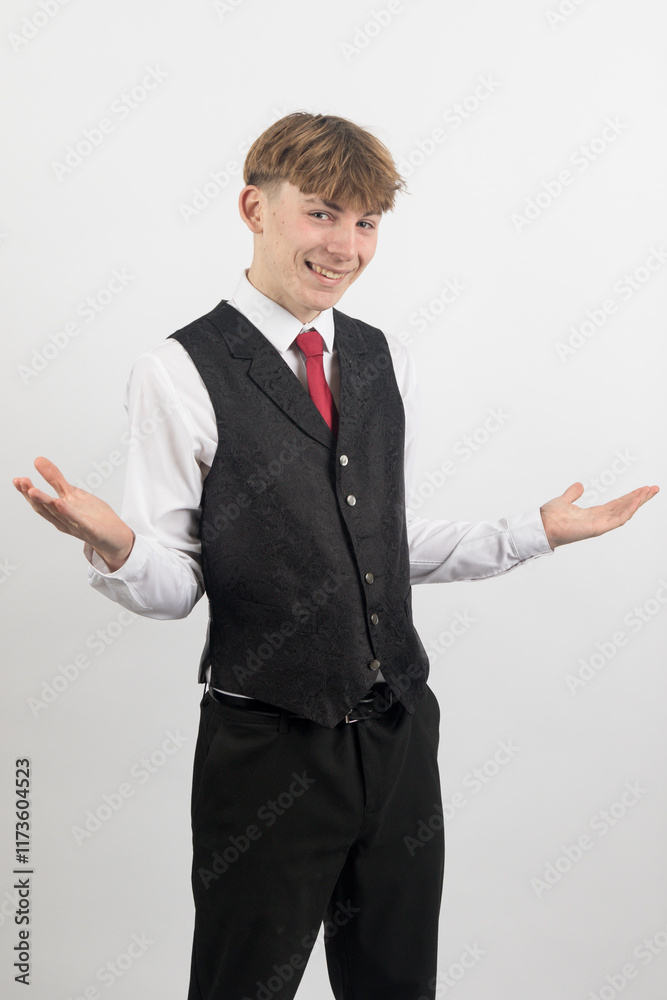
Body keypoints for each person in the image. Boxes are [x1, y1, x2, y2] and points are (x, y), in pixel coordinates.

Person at [13, 112, 659, 1000]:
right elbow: (175, 586)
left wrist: (532, 531)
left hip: (397, 734)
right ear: (255, 208)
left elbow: (377, 544)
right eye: (321, 214)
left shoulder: (381, 357)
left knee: (396, 986)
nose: (345, 247)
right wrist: (118, 545)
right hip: (267, 743)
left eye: (366, 222)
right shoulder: (179, 369)